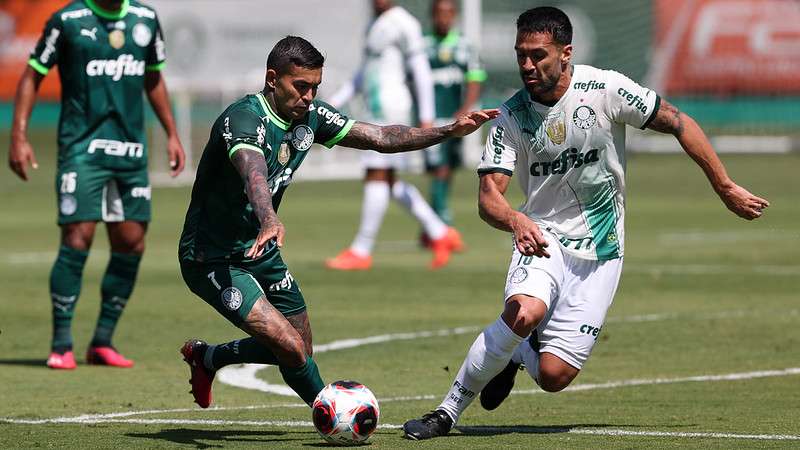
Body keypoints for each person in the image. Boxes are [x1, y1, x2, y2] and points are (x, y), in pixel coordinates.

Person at [402, 6, 769, 440]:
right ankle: (446, 413)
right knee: (523, 312)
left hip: (602, 249)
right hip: (542, 236)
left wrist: (724, 186)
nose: (526, 65)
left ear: (566, 53)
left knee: (555, 376)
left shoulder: (606, 89)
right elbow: (488, 199)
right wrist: (517, 220)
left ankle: (518, 355)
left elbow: (678, 121)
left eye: (537, 55)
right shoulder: (511, 116)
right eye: (520, 54)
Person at [177, 36, 497, 409]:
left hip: (260, 248)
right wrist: (269, 219)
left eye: (315, 87)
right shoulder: (245, 118)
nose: (309, 96)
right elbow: (254, 174)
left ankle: (209, 358)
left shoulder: (310, 117)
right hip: (211, 256)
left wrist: (446, 131)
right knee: (291, 348)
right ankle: (332, 411)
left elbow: (380, 136)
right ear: (271, 78)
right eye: (300, 86)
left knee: (299, 347)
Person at [8, 0, 185, 370]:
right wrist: (19, 135)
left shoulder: (145, 19)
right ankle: (61, 343)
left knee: (132, 241)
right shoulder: (68, 20)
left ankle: (102, 340)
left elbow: (153, 78)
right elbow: (32, 74)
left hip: (130, 151)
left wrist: (171, 132)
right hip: (82, 150)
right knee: (77, 236)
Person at [325, 0, 463, 271]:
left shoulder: (404, 22)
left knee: (376, 174)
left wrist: (426, 116)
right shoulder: (373, 25)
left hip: (392, 108)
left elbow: (420, 70)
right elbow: (362, 75)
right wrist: (332, 103)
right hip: (373, 107)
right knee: (386, 180)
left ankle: (361, 250)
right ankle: (440, 232)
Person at [422, 0, 486, 227]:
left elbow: (475, 78)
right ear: (433, 15)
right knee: (438, 168)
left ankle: (432, 222)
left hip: (454, 118)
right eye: (440, 13)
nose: (444, 18)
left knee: (447, 168)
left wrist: (466, 108)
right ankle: (438, 221)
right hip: (429, 118)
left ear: (455, 16)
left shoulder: (463, 46)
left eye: (448, 13)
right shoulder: (423, 45)